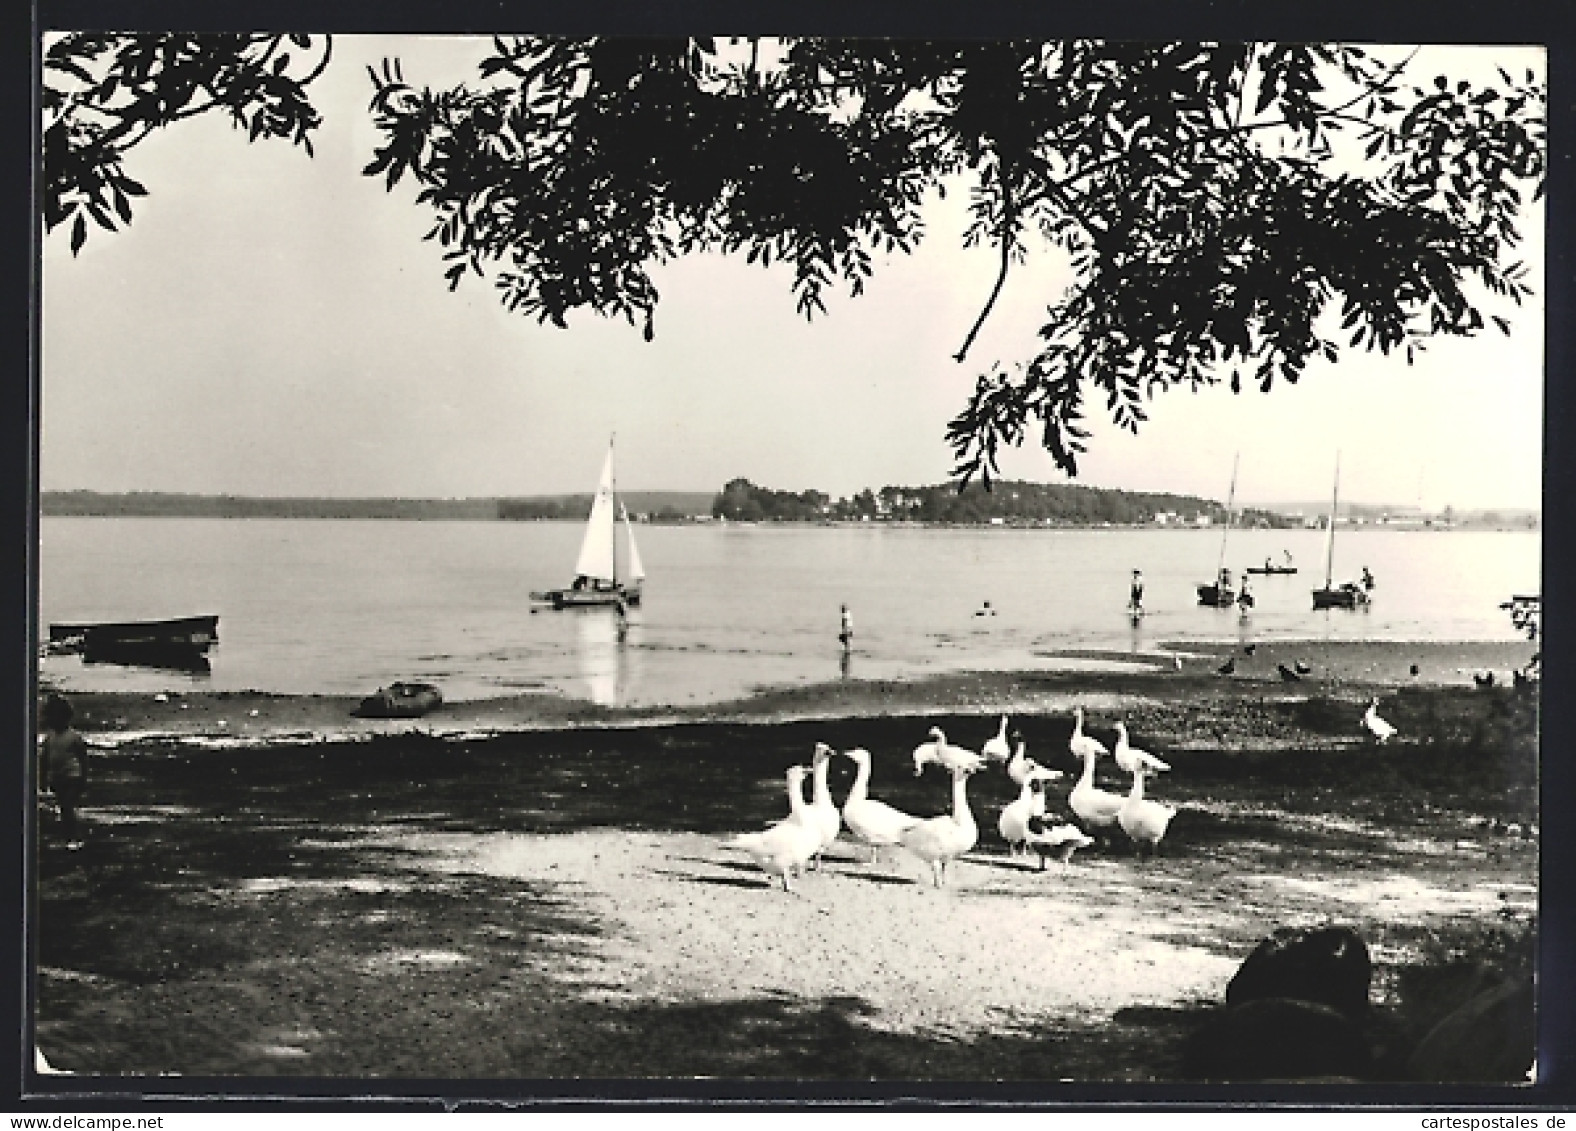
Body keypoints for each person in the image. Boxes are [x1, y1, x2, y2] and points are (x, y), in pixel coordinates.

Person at [39, 693, 89, 849]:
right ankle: (69, 836)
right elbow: (44, 760)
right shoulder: (49, 738)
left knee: (67, 806)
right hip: (57, 777)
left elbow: (83, 758)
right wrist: (43, 779)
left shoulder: (74, 737)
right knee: (64, 808)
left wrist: (84, 779)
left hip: (73, 776)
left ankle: (74, 837)